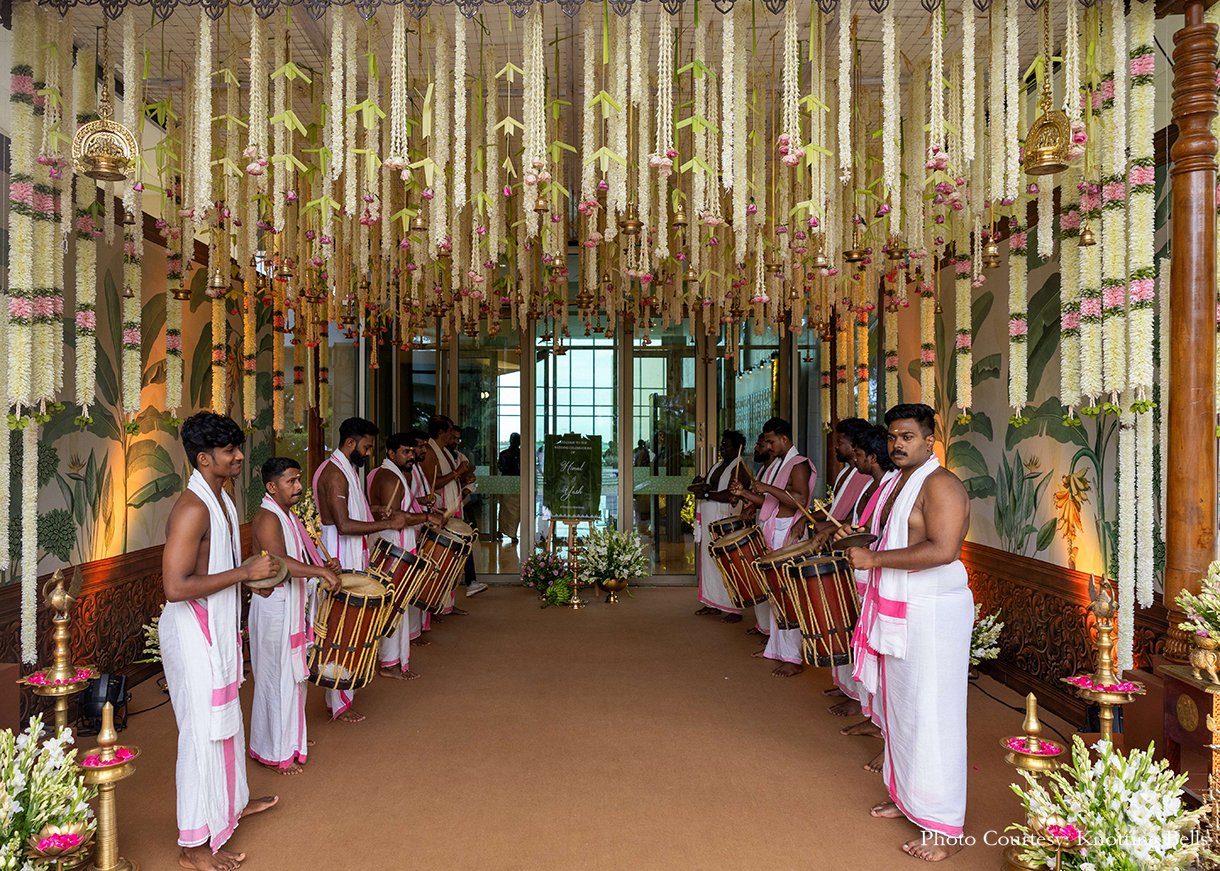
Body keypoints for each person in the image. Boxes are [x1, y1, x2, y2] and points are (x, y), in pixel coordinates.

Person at [843, 403, 972, 861]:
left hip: (932, 611)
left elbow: (943, 549)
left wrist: (874, 560)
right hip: (904, 610)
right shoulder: (898, 483)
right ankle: (909, 798)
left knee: (932, 715)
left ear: (929, 440)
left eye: (908, 437)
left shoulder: (941, 485)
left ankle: (944, 828)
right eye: (893, 436)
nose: (897, 444)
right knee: (904, 710)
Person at [160, 412, 279, 871]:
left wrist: (252, 581)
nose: (239, 456)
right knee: (198, 733)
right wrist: (245, 573)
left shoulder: (223, 499)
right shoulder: (192, 507)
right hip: (193, 632)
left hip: (219, 626)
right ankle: (193, 845)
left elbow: (218, 568)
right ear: (204, 458)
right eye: (230, 451)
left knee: (227, 720)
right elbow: (175, 586)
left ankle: (230, 805)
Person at [249, 457, 343, 776]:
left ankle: (291, 737)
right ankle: (275, 751)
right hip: (273, 610)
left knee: (293, 679)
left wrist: (323, 568)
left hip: (288, 608)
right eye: (291, 481)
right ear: (272, 487)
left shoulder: (287, 516)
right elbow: (280, 562)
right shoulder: (267, 518)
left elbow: (299, 559)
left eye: (299, 479)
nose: (299, 487)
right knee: (276, 680)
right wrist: (317, 570)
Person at [313, 416, 409, 722]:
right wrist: (388, 523)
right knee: (346, 625)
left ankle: (339, 696)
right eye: (366, 447)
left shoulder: (346, 469)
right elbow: (342, 524)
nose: (369, 453)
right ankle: (340, 702)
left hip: (351, 551)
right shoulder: (335, 474)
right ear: (351, 442)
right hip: (341, 553)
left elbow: (351, 512)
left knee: (351, 625)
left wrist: (376, 511)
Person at [819, 426, 899, 767]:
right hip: (872, 578)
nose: (854, 459)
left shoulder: (894, 488)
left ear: (871, 457)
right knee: (868, 649)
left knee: (882, 659)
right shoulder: (879, 487)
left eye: (858, 455)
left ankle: (883, 728)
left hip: (889, 583)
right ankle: (874, 716)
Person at [730, 418, 815, 677]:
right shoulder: (780, 464)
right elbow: (770, 503)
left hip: (787, 533)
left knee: (787, 594)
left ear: (785, 439)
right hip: (773, 529)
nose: (767, 446)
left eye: (770, 441)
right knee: (776, 593)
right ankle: (777, 649)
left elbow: (799, 500)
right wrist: (745, 493)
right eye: (765, 441)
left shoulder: (798, 464)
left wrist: (768, 488)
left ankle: (793, 657)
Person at [368, 433, 444, 680]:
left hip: (395, 545)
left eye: (413, 451)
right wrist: (426, 517)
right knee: (394, 604)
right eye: (405, 452)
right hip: (393, 547)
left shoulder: (394, 474)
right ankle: (388, 664)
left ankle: (392, 660)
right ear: (391, 454)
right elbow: (397, 518)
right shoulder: (390, 477)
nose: (411, 456)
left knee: (397, 604)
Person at [421, 416, 483, 609]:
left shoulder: (443, 451)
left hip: (452, 507)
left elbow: (448, 481)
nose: (453, 437)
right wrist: (457, 473)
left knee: (454, 558)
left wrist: (462, 481)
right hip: (442, 511)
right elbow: (434, 483)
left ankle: (448, 603)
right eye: (449, 432)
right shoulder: (431, 451)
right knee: (443, 558)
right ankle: (439, 605)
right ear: (441, 433)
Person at [690, 430, 749, 622]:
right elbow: (711, 486)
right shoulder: (718, 465)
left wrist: (706, 495)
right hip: (710, 521)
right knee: (710, 561)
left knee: (728, 562)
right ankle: (712, 603)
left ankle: (734, 609)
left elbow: (732, 495)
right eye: (722, 444)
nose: (723, 448)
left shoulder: (740, 468)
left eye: (727, 445)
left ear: (738, 448)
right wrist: (701, 485)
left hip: (726, 521)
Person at [497, 433, 522, 544]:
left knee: (509, 509)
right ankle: (510, 533)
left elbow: (500, 467)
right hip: (512, 484)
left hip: (509, 484)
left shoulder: (505, 454)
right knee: (511, 509)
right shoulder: (520, 454)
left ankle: (507, 531)